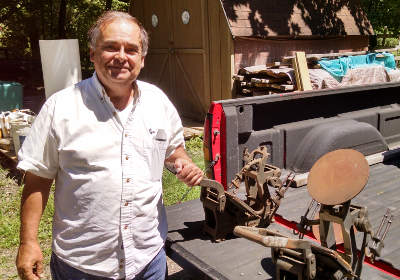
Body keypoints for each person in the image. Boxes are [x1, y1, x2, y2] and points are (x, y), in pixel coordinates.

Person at [15, 11, 203, 280]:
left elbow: (174, 151)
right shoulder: (62, 107)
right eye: (111, 47)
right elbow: (37, 180)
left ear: (142, 58)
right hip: (82, 266)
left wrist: (182, 163)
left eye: (131, 49)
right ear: (92, 53)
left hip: (147, 260)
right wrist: (28, 242)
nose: (121, 56)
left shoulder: (158, 102)